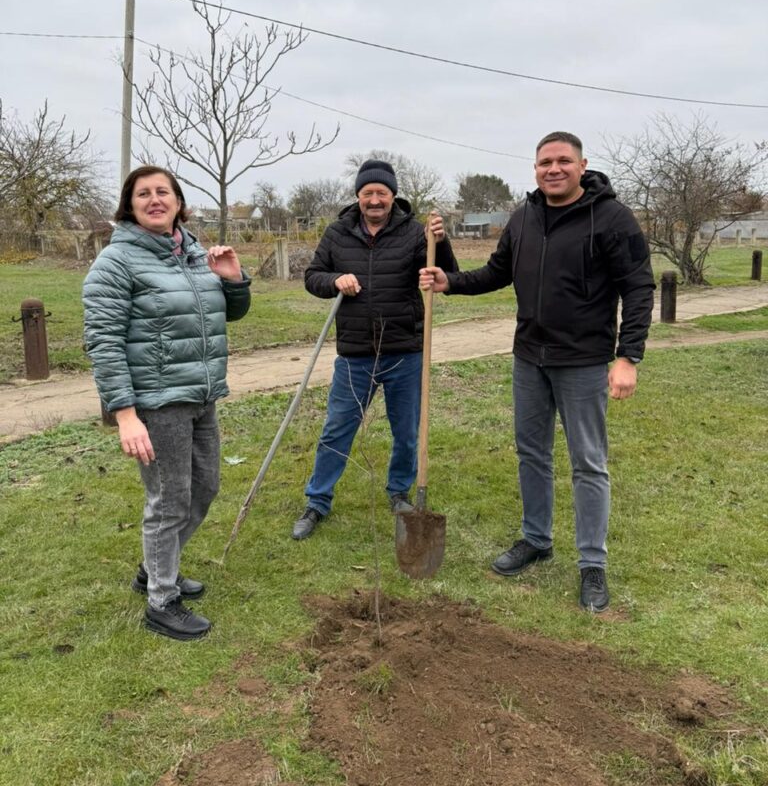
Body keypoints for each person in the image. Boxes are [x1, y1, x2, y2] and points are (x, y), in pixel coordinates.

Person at [420, 132, 654, 611]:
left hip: (584, 361)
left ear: (582, 165)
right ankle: (536, 539)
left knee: (588, 462)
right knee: (532, 453)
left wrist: (628, 356)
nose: (554, 169)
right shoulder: (523, 217)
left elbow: (639, 286)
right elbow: (496, 273)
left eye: (563, 161)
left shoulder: (611, 218)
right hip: (529, 358)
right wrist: (451, 282)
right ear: (535, 168)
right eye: (545, 161)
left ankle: (592, 564)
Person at [83, 166, 251, 640]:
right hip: (156, 404)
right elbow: (104, 341)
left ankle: (154, 567)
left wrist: (234, 279)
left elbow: (229, 314)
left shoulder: (194, 254)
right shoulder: (116, 262)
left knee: (206, 488)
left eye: (163, 192)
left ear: (178, 202)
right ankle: (162, 600)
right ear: (129, 205)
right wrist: (125, 415)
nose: (155, 199)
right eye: (143, 194)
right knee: (169, 500)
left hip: (202, 394)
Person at [292, 158, 458, 540]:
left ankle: (399, 491)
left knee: (406, 432)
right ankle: (317, 501)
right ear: (358, 196)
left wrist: (441, 241)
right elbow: (312, 278)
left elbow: (446, 275)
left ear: (393, 196)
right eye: (368, 193)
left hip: (405, 351)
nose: (375, 200)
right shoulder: (337, 233)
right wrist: (336, 280)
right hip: (355, 354)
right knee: (337, 430)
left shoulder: (415, 233)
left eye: (382, 193)